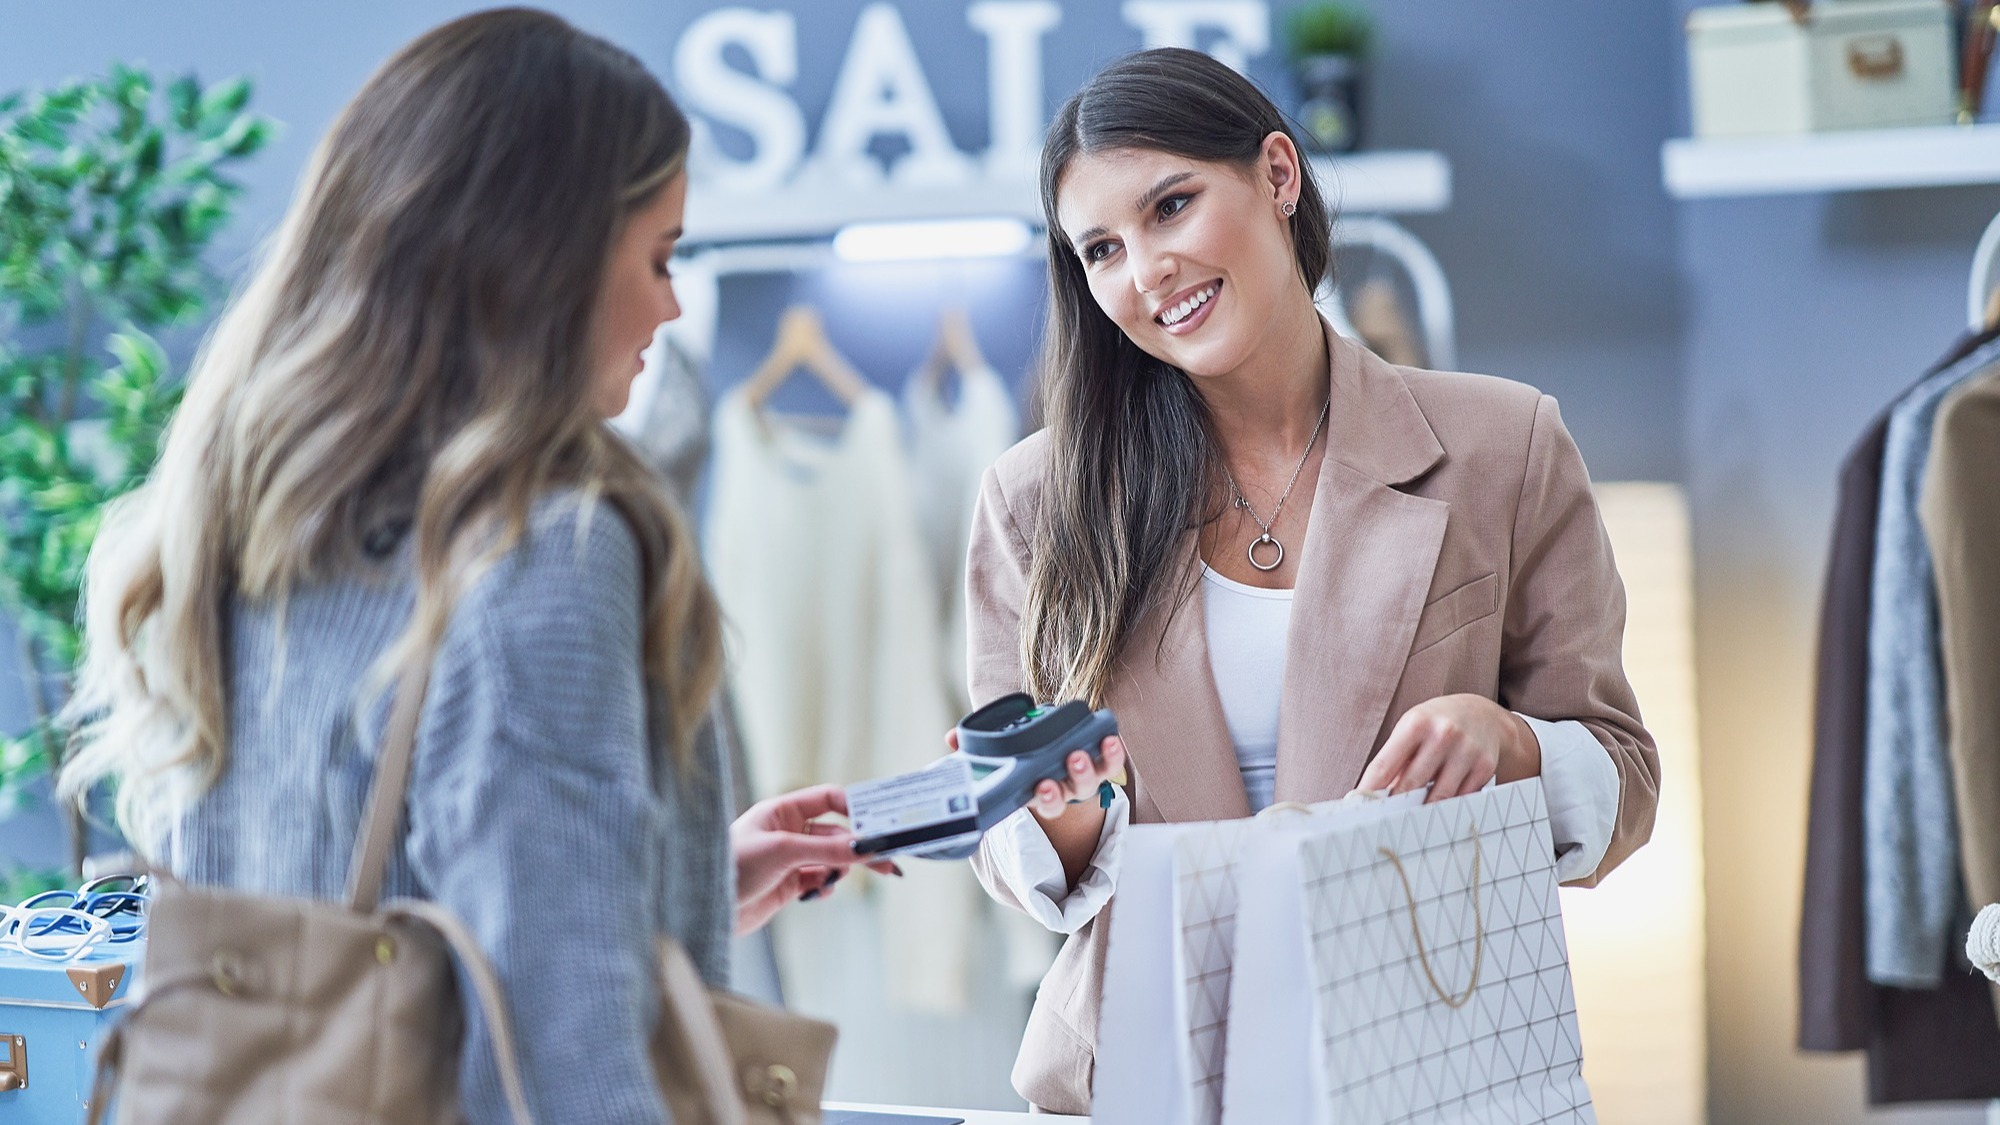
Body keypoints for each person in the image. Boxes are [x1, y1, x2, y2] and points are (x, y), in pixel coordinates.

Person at [57, 10, 879, 1122]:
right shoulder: (540, 556)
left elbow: (341, 941)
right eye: (658, 255)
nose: (671, 304)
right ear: (542, 265)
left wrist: (653, 890)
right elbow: (565, 1058)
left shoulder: (236, 529)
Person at [964, 48, 1661, 1114]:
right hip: (1146, 1069)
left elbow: (1623, 776)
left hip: (1422, 1058)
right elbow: (1003, 837)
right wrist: (1058, 823)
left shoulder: (1500, 444)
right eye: (1100, 248)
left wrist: (1510, 741)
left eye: (1171, 206)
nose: (1145, 270)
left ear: (1277, 176)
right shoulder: (1035, 501)